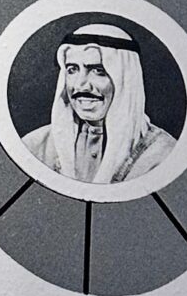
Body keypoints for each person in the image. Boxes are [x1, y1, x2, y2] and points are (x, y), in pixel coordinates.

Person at [23, 20, 177, 187]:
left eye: (98, 71)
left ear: (125, 79)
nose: (81, 85)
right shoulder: (35, 147)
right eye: (72, 70)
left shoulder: (164, 155)